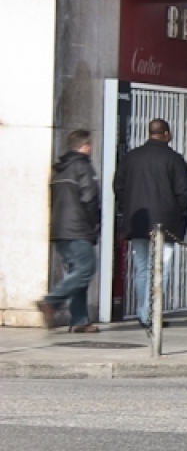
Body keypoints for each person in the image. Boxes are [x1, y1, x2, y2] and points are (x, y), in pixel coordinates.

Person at [113, 118, 187, 330]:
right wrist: (181, 216)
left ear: (150, 133)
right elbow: (183, 193)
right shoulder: (174, 159)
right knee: (161, 268)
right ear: (166, 134)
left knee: (142, 268)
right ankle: (153, 313)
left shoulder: (131, 157)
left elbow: (118, 187)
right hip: (166, 223)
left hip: (138, 222)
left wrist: (129, 208)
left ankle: (143, 313)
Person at [38, 129, 101, 333]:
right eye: (90, 145)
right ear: (85, 146)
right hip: (78, 229)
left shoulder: (60, 169)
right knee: (86, 269)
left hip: (60, 230)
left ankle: (80, 320)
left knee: (76, 274)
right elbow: (89, 198)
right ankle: (51, 301)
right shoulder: (82, 166)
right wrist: (94, 225)